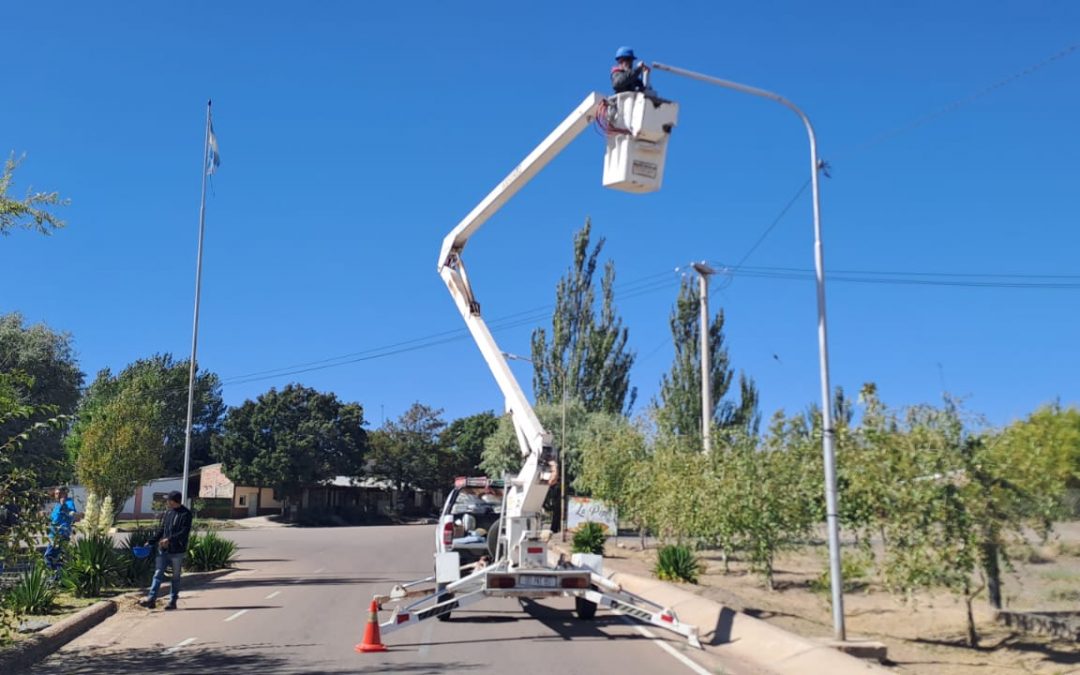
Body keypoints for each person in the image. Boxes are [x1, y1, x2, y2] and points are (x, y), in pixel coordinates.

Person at [138, 491, 192, 610]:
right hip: (163, 549)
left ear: (174, 501)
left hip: (177, 551)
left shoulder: (186, 514)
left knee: (175, 577)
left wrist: (170, 539)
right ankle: (151, 599)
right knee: (157, 574)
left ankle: (173, 601)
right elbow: (162, 530)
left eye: (168, 500)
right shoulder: (168, 513)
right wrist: (151, 541)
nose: (167, 502)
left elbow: (184, 532)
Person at [44, 487, 76, 579]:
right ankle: (58, 578)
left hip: (60, 534)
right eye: (55, 494)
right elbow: (54, 518)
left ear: (64, 494)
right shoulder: (57, 505)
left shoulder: (69, 503)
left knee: (48, 556)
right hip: (54, 534)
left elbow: (71, 515)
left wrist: (64, 506)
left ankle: (53, 578)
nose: (56, 495)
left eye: (59, 493)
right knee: (58, 557)